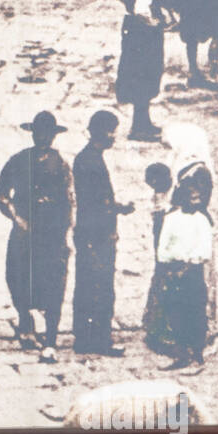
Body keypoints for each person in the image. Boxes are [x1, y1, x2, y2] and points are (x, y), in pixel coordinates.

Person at [0, 110, 74, 360]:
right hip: (25, 231)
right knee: (16, 277)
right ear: (33, 134)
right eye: (40, 133)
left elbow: (69, 199)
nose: (44, 138)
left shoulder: (61, 164)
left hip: (52, 232)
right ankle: (25, 320)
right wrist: (16, 217)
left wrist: (68, 231)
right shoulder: (18, 161)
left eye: (48, 134)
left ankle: (50, 340)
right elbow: (0, 194)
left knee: (54, 284)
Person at [72, 110, 134, 356]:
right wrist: (119, 209)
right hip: (97, 233)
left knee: (87, 284)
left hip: (88, 231)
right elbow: (98, 203)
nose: (114, 137)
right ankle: (99, 339)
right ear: (101, 132)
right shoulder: (92, 162)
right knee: (101, 287)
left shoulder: (86, 157)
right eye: (112, 131)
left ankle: (83, 337)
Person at [144, 164, 212, 368]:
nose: (195, 200)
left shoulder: (202, 220)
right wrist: (174, 263)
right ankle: (182, 352)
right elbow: (163, 248)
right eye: (191, 196)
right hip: (175, 273)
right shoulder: (171, 219)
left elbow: (204, 249)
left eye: (198, 197)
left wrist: (189, 263)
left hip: (193, 273)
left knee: (196, 311)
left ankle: (197, 352)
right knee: (177, 312)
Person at [113, 0, 173, 141]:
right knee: (145, 76)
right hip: (144, 35)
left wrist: (126, 4)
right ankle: (139, 128)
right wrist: (156, 22)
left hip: (132, 31)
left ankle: (143, 122)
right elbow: (142, 10)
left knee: (140, 76)